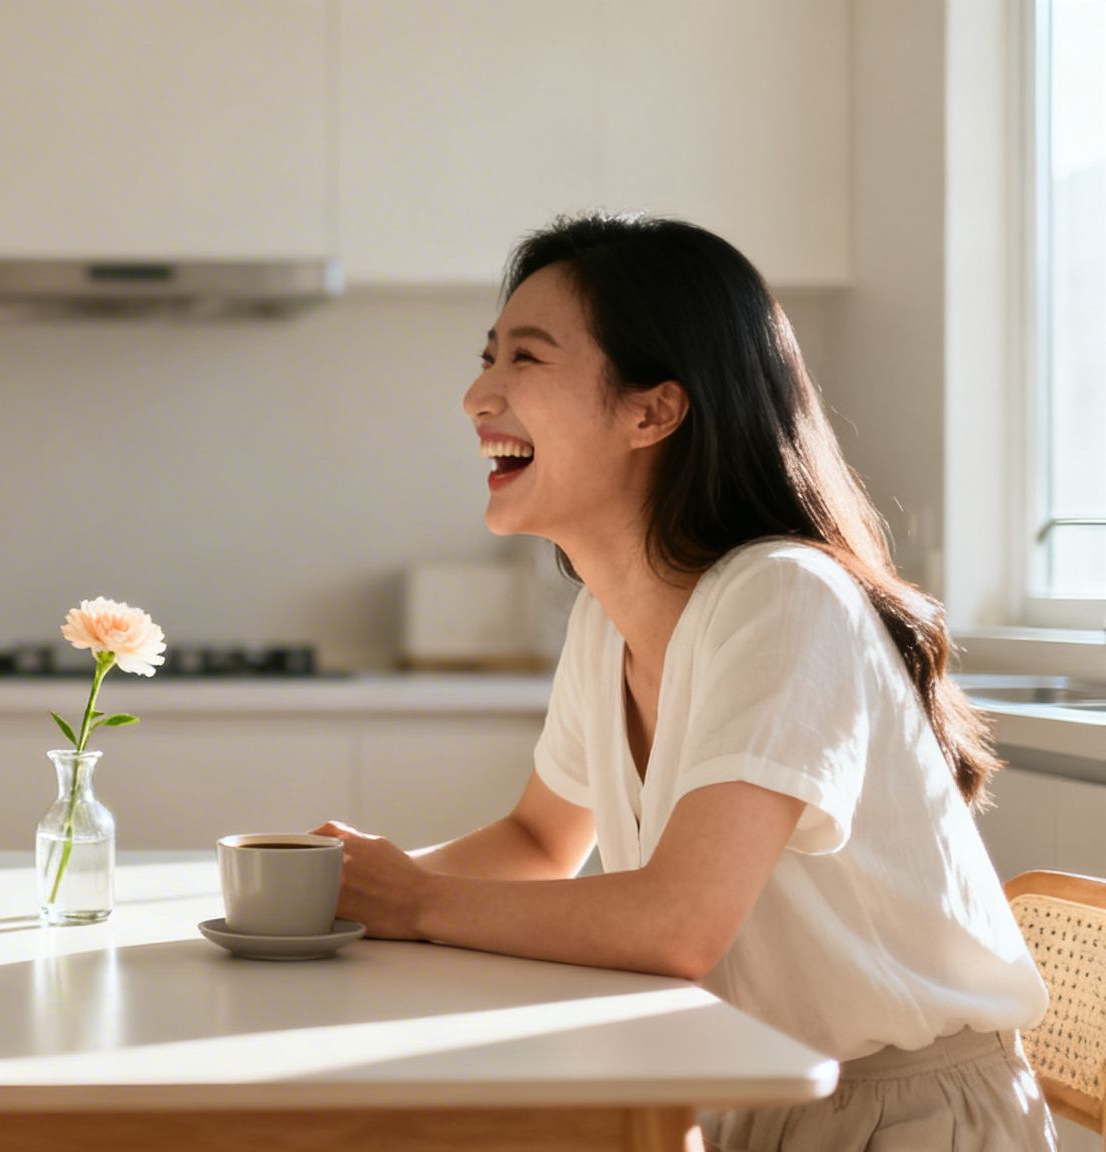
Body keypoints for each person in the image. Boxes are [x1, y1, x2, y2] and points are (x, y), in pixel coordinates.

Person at [316, 213, 1054, 1150]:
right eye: (489, 357)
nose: (476, 395)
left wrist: (410, 903)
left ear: (652, 411)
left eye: (526, 361)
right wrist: (345, 894)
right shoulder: (608, 618)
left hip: (902, 1119)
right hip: (743, 1096)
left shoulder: (785, 597)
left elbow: (677, 923)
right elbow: (540, 836)